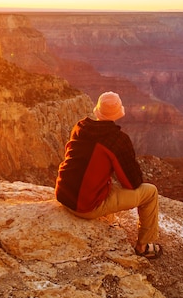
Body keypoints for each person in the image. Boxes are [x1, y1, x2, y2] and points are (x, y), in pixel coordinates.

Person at [55, 91, 163, 259]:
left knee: (106, 184)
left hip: (63, 194)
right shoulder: (117, 140)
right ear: (119, 111)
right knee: (150, 192)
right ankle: (144, 247)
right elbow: (132, 183)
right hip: (85, 207)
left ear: (98, 109)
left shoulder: (80, 126)